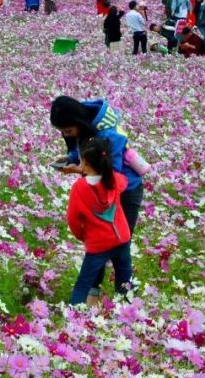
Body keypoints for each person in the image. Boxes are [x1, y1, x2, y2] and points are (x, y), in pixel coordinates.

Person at [49, 96, 145, 301]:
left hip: (125, 191)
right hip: (105, 186)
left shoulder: (109, 136)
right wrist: (72, 157)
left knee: (117, 244)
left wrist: (81, 170)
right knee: (105, 242)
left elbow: (113, 174)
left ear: (79, 122)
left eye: (67, 131)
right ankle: (107, 297)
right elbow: (88, 150)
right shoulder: (88, 126)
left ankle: (124, 298)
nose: (66, 135)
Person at [65, 137, 133, 306]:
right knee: (125, 279)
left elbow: (73, 220)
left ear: (85, 163)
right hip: (121, 238)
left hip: (98, 244)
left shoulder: (79, 188)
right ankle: (126, 311)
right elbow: (124, 182)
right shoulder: (114, 179)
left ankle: (75, 315)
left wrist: (84, 236)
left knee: (84, 282)